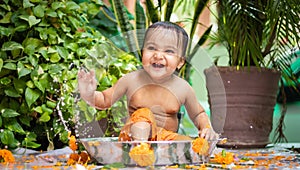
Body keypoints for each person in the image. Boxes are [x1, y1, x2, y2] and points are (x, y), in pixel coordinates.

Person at [78, 21, 218, 141]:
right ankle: (140, 152)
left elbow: (199, 114)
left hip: (165, 141)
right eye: (151, 48)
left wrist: (206, 128)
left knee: (194, 144)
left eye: (168, 51)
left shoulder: (182, 88)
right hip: (133, 140)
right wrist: (89, 94)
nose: (158, 55)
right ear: (142, 52)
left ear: (180, 62)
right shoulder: (131, 80)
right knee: (142, 120)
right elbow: (104, 100)